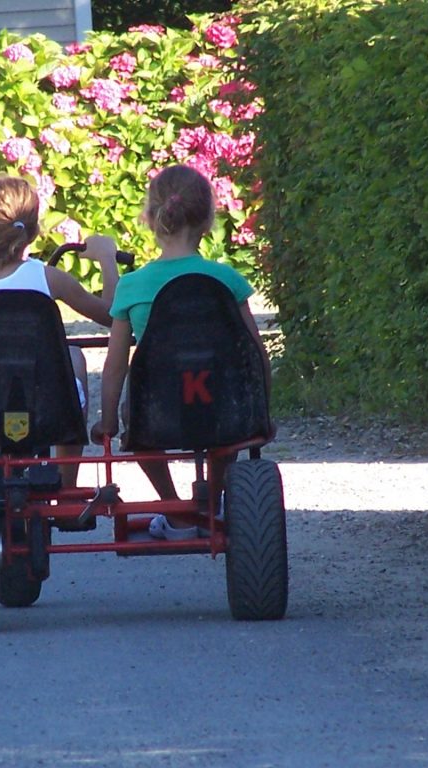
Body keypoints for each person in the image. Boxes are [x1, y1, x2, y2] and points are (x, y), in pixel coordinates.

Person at [91, 164, 271, 540]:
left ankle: (175, 509)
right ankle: (214, 496)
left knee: (133, 424)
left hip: (158, 409)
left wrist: (108, 423)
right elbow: (255, 353)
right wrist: (261, 413)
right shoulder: (227, 279)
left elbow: (115, 368)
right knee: (228, 433)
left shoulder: (132, 286)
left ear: (150, 219)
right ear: (208, 221)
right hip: (224, 404)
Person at [0, 174, 119, 485]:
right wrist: (107, 259)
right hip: (50, 404)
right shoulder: (49, 278)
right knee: (73, 356)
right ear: (33, 232)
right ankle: (66, 479)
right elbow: (113, 316)